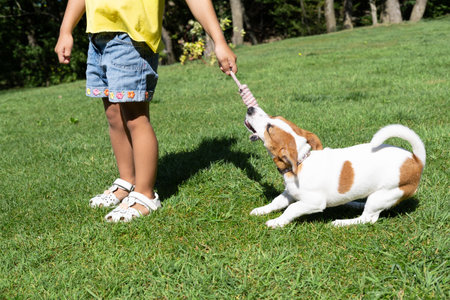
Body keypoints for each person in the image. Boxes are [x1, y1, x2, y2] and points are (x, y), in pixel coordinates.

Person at [55, 0, 238, 222]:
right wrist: (66, 30)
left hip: (131, 38)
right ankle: (127, 181)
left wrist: (219, 41)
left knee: (134, 116)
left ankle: (145, 195)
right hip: (97, 37)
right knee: (113, 114)